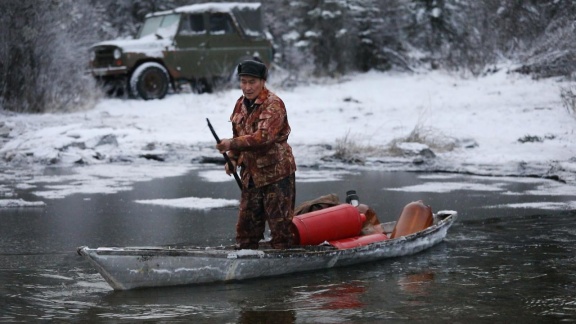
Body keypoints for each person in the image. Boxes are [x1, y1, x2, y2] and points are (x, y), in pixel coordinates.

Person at [216, 59, 297, 250]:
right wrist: (233, 159)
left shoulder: (273, 104)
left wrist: (231, 143)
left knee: (280, 229)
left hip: (276, 175)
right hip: (251, 175)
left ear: (262, 82)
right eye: (243, 82)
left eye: (252, 82)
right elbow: (239, 134)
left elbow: (263, 137)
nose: (247, 87)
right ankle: (245, 261)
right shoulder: (240, 104)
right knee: (246, 229)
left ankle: (284, 266)